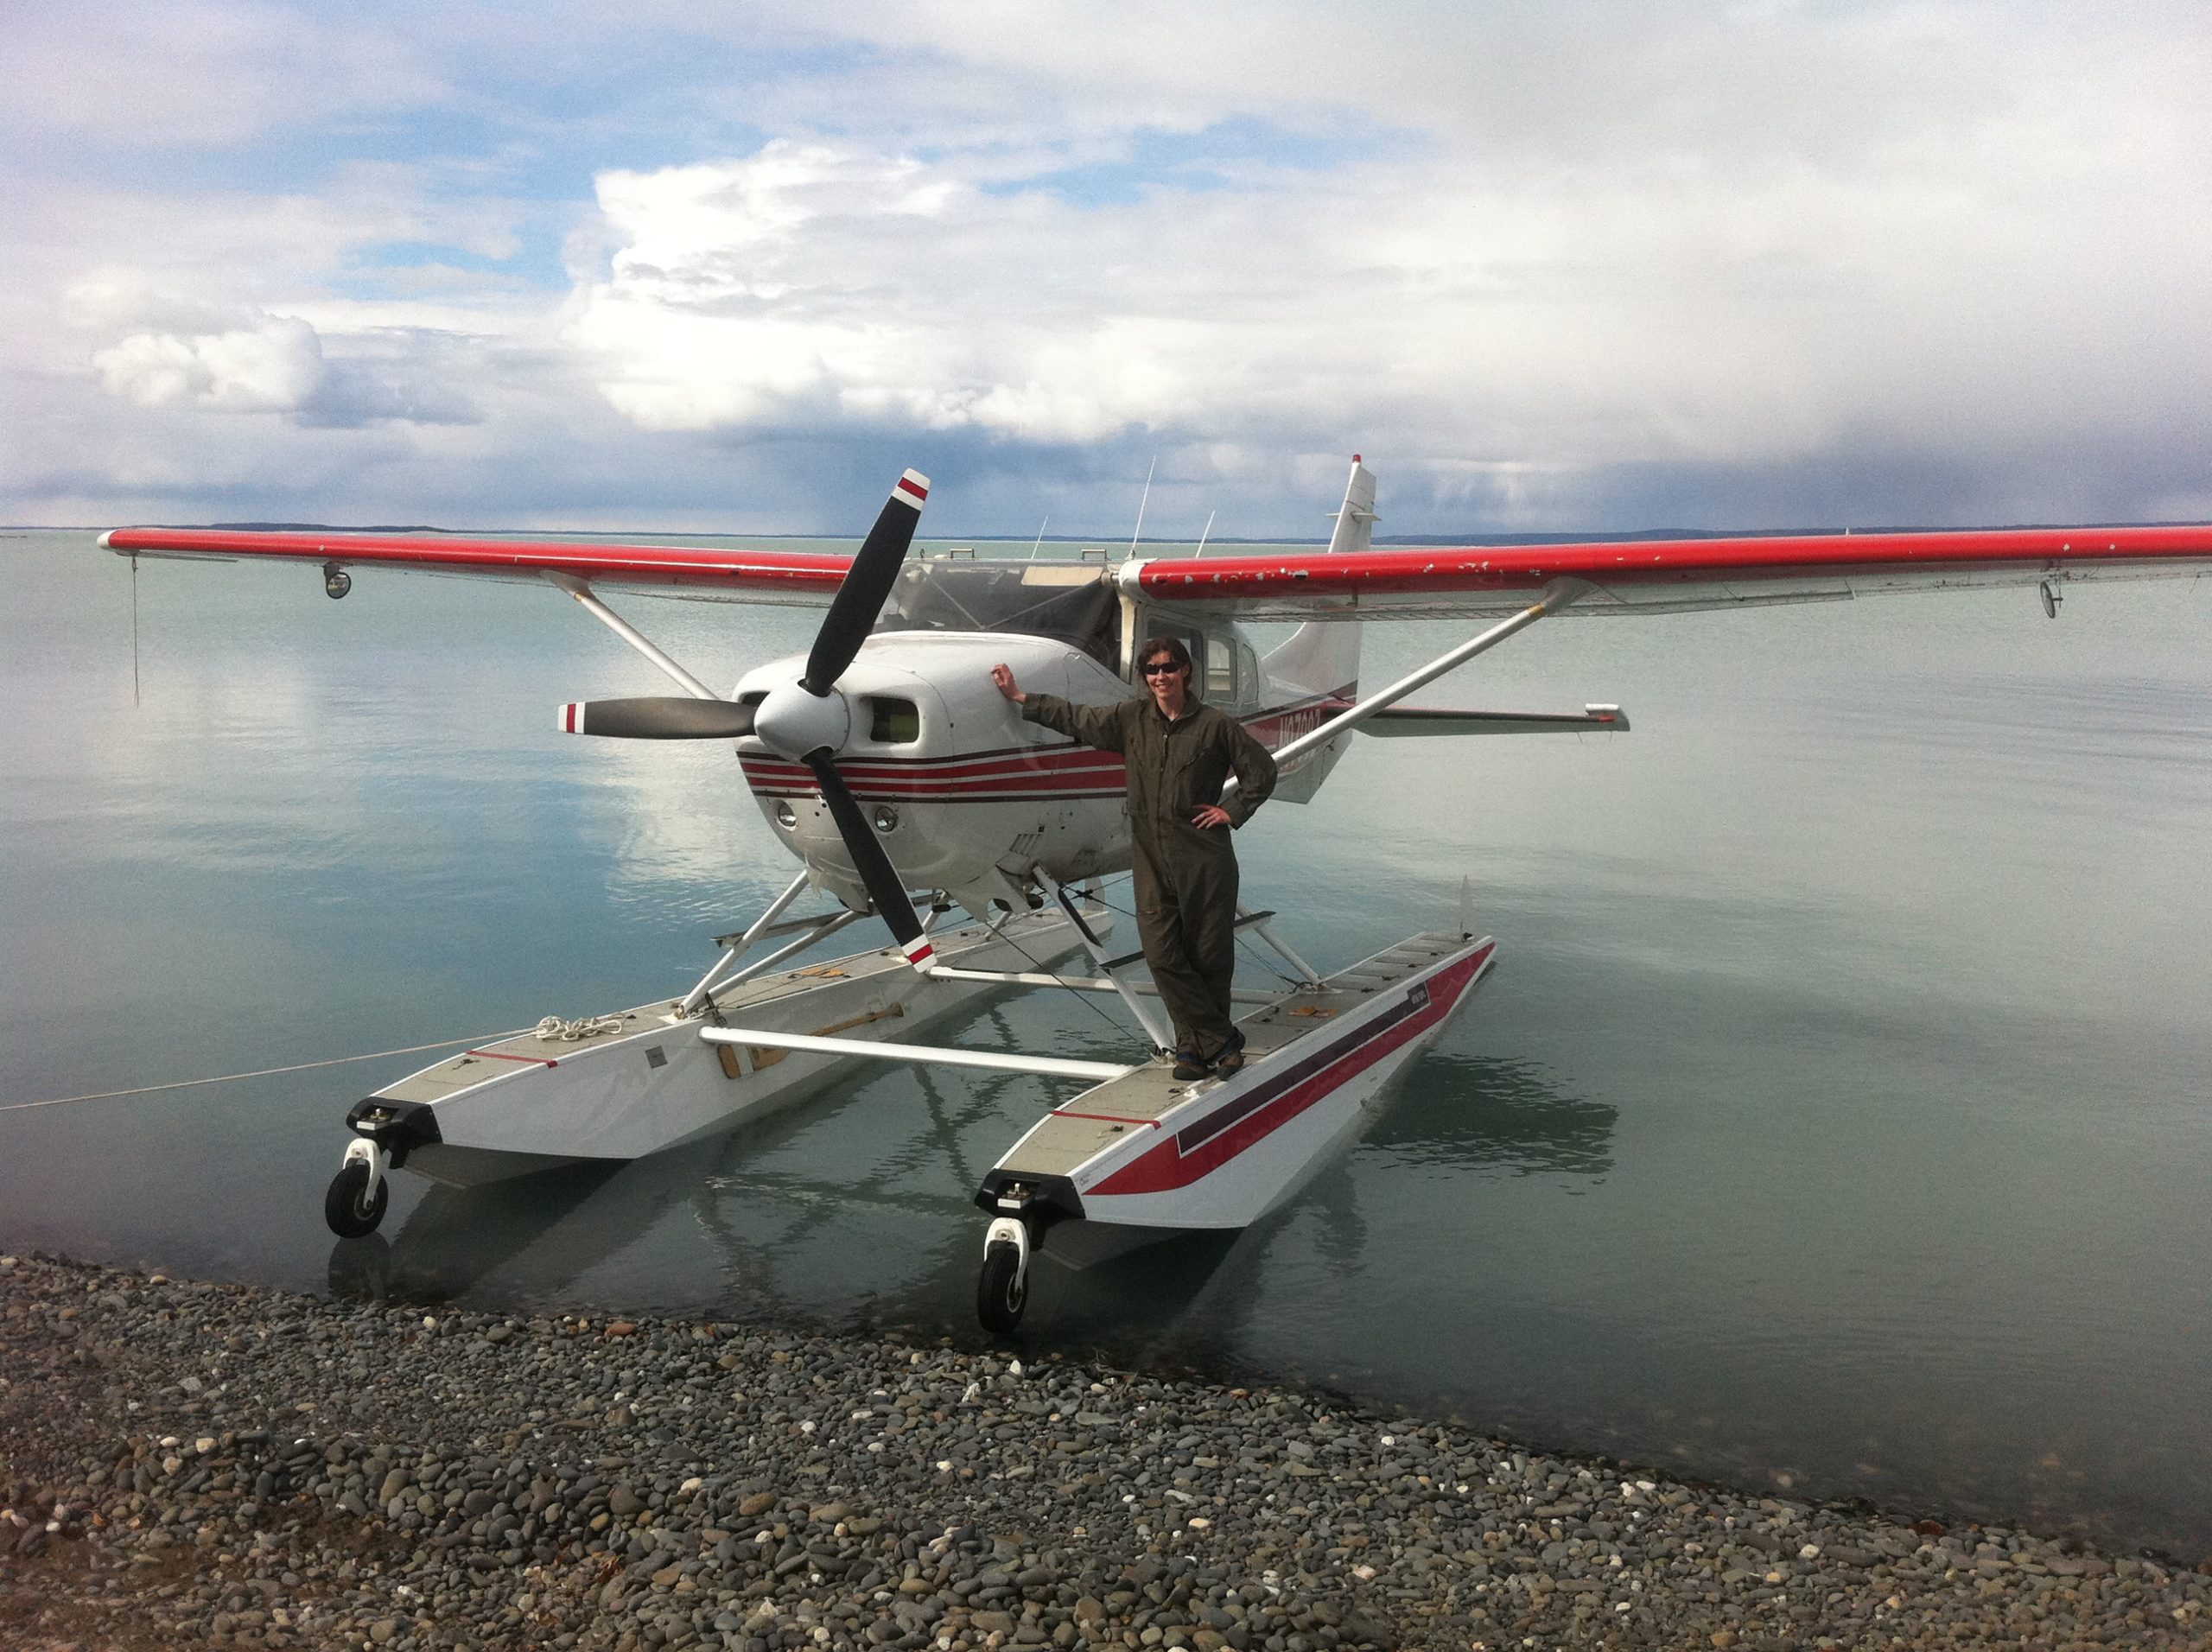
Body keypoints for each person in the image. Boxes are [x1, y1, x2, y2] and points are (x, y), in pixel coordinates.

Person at [992, 638, 1276, 1081]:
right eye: (1151, 670)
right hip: (1149, 857)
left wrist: (1231, 810)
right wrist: (1022, 698)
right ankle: (1223, 1041)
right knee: (1162, 954)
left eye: (1168, 667)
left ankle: (1193, 1052)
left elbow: (1261, 771)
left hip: (1204, 857)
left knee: (1209, 956)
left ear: (1186, 672)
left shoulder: (1215, 725)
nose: (1160, 676)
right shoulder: (1130, 720)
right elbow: (1077, 718)